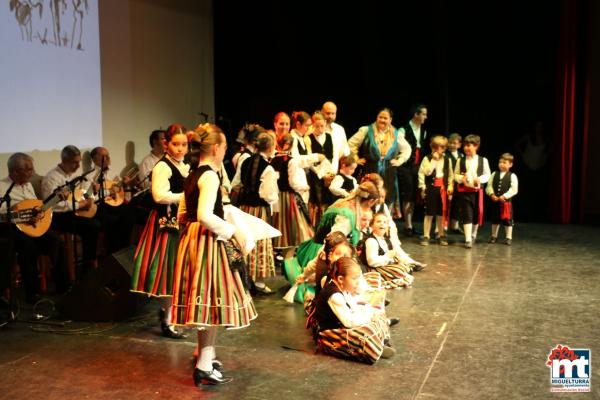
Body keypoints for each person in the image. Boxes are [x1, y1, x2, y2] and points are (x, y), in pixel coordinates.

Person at [171, 124, 257, 387]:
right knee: (212, 303)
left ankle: (204, 356)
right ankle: (203, 365)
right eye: (224, 148)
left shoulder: (193, 173)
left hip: (195, 240)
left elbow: (183, 214)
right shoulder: (209, 176)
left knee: (207, 305)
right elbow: (205, 215)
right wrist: (233, 232)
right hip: (206, 242)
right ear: (217, 148)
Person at [130, 124, 189, 338]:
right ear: (166, 144)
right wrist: (186, 195)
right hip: (165, 225)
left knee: (177, 273)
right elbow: (158, 195)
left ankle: (168, 314)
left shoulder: (184, 166)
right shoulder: (162, 167)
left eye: (184, 144)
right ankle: (167, 319)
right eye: (176, 144)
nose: (180, 149)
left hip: (180, 223)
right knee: (167, 272)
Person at [0, 153, 69, 302]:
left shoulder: (29, 184)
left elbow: (35, 207)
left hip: (32, 227)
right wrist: (18, 214)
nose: (32, 172)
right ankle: (33, 294)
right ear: (14, 172)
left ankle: (64, 288)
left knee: (56, 241)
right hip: (12, 230)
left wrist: (38, 215)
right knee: (28, 247)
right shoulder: (2, 187)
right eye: (29, 170)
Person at [311, 257, 394, 364]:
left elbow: (352, 307)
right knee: (367, 331)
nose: (357, 282)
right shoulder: (334, 294)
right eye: (354, 279)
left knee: (376, 314)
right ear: (341, 279)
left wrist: (369, 310)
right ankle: (375, 346)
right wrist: (369, 315)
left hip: (342, 324)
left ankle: (380, 341)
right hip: (329, 332)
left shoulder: (342, 288)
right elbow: (349, 322)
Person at [41, 145, 101, 276]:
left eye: (79, 162)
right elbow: (52, 205)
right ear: (64, 161)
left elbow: (80, 196)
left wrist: (91, 193)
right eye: (75, 162)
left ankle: (90, 263)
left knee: (97, 222)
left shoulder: (73, 176)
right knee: (92, 226)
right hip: (56, 217)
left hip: (71, 212)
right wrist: (81, 205)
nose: (78, 166)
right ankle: (87, 269)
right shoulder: (51, 178)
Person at [348, 108, 411, 216]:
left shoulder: (396, 134)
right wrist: (356, 158)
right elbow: (350, 143)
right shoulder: (366, 130)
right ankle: (365, 222)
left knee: (387, 198)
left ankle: (384, 225)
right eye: (380, 117)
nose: (382, 120)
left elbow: (407, 149)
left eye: (385, 118)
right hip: (370, 169)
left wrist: (400, 160)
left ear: (390, 120)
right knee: (368, 196)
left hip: (388, 171)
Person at [237, 132, 279, 294]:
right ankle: (258, 282)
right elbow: (267, 194)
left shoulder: (246, 161)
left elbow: (238, 183)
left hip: (244, 209)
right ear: (270, 147)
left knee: (246, 241)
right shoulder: (267, 167)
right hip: (257, 210)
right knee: (259, 243)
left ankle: (244, 279)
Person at [270, 133, 314, 248]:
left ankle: (279, 244)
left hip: (276, 196)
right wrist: (304, 187)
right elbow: (293, 183)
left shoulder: (273, 159)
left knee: (278, 221)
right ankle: (289, 246)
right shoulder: (290, 161)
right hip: (288, 197)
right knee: (292, 224)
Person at [454, 134, 491, 248]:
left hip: (477, 192)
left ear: (476, 146)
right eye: (465, 145)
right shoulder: (460, 160)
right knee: (467, 213)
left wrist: (479, 180)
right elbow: (455, 174)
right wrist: (461, 178)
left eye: (469, 145)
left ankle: (473, 234)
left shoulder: (483, 160)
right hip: (465, 191)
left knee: (476, 213)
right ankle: (467, 238)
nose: (466, 148)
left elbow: (487, 174)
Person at [397, 104, 429, 236]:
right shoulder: (403, 130)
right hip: (406, 167)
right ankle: (407, 225)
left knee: (415, 195)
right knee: (408, 195)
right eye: (423, 114)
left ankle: (410, 224)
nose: (425, 117)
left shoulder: (424, 131)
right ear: (416, 114)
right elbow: (400, 150)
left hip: (418, 167)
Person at [363, 213, 414, 289]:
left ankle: (396, 276)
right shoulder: (371, 241)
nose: (382, 224)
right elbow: (372, 262)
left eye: (384, 222)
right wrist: (387, 256)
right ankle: (390, 278)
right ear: (372, 226)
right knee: (400, 270)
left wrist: (397, 260)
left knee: (406, 267)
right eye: (378, 221)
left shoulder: (385, 240)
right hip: (374, 268)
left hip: (384, 266)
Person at [418, 135, 454, 246]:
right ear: (432, 147)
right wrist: (423, 187)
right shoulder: (427, 159)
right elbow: (425, 173)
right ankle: (426, 235)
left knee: (441, 213)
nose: (439, 150)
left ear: (444, 148)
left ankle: (441, 234)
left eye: (441, 147)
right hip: (431, 188)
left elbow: (450, 176)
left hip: (442, 189)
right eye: (436, 147)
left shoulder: (448, 160)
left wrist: (450, 187)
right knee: (429, 213)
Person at [486, 153, 518, 245]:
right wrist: (491, 194)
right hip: (496, 201)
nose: (501, 164)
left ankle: (508, 237)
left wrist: (504, 196)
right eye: (500, 162)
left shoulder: (512, 176)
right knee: (495, 219)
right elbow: (489, 186)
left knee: (507, 220)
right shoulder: (494, 174)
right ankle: (494, 236)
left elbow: (514, 189)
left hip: (506, 203)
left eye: (504, 162)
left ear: (510, 164)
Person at [321, 101, 351, 172]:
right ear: (322, 112)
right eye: (328, 113)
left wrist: (341, 153)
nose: (330, 116)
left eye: (333, 113)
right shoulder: (314, 128)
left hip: (333, 170)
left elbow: (346, 149)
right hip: (317, 172)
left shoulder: (339, 129)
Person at [445, 133, 463, 233]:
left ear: (459, 145)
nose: (452, 145)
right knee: (447, 205)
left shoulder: (462, 156)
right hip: (448, 183)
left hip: (459, 184)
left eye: (455, 143)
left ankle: (454, 226)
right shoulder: (445, 155)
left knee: (458, 205)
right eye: (450, 143)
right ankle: (444, 226)